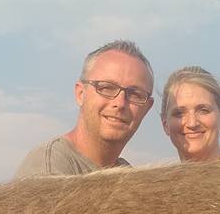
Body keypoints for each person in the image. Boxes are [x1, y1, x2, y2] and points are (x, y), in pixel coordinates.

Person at [15, 40, 154, 177]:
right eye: (106, 87)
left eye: (135, 94)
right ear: (80, 94)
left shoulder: (128, 175)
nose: (120, 103)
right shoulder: (49, 167)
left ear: (147, 109)